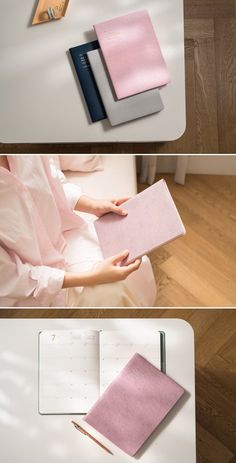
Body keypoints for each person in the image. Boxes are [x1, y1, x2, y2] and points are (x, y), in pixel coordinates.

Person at [0, 155, 157, 307]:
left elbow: (53, 184)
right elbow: (12, 279)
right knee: (111, 292)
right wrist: (91, 278)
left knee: (132, 259)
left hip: (62, 238)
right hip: (29, 290)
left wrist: (94, 206)